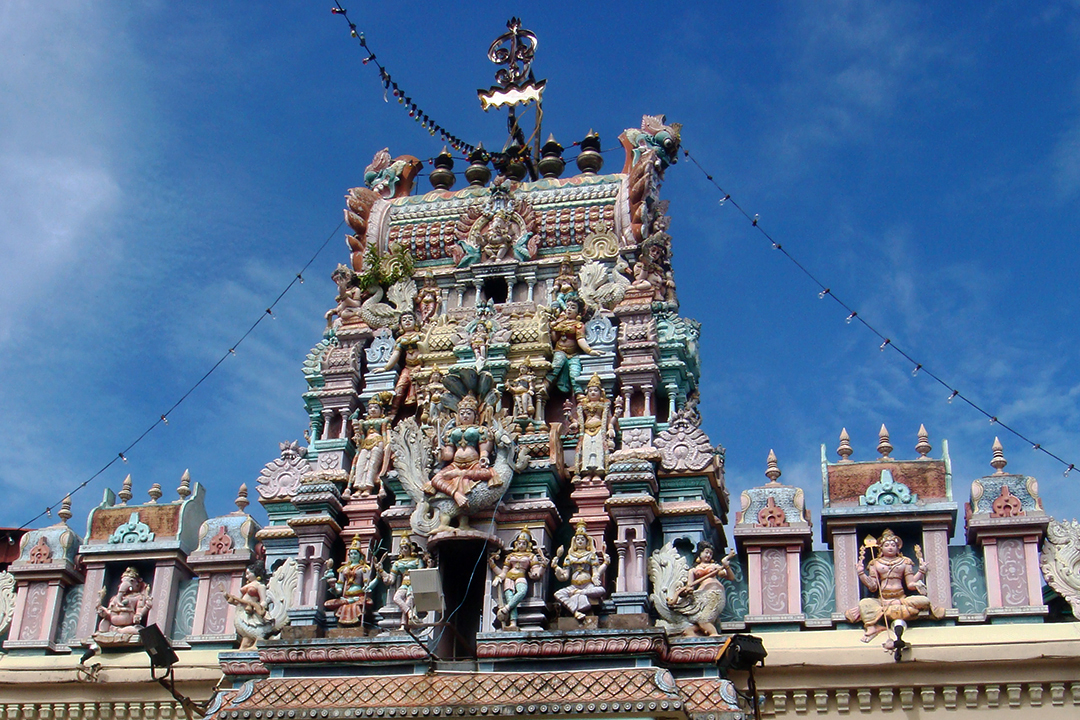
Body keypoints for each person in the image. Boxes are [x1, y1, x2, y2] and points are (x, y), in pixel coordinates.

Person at [846, 529, 944, 642]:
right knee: (865, 603)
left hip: (901, 599)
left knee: (924, 601)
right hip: (883, 600)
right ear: (881, 548)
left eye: (893, 545)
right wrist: (861, 574)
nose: (890, 547)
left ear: (898, 548)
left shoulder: (904, 562)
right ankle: (872, 627)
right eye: (886, 545)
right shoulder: (875, 563)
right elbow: (873, 587)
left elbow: (910, 584)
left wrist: (921, 572)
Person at [424, 394, 500, 507]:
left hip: (473, 463)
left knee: (487, 473)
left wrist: (484, 457)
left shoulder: (480, 430)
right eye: (462, 413)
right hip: (455, 464)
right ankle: (456, 495)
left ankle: (461, 475)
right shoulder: (451, 432)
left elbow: (484, 449)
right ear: (458, 416)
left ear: (475, 416)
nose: (465, 416)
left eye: (469, 413)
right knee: (435, 479)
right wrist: (441, 453)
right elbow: (449, 454)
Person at [488, 528, 548, 630]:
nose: (521, 545)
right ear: (516, 544)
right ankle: (513, 623)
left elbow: (536, 572)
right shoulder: (510, 556)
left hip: (521, 576)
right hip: (508, 578)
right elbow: (503, 572)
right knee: (510, 599)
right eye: (519, 543)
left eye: (523, 543)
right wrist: (493, 566)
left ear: (527, 545)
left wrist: (543, 567)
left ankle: (506, 609)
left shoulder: (531, 556)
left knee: (522, 592)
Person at [551, 522, 609, 621]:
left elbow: (595, 572)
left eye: (582, 539)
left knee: (601, 590)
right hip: (573, 586)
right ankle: (575, 611)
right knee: (558, 594)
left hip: (587, 585)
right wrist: (556, 568)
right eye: (578, 539)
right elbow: (564, 577)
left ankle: (581, 593)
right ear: (574, 542)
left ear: (587, 542)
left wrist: (605, 564)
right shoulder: (569, 557)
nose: (580, 541)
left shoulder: (591, 555)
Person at [676, 542, 735, 636]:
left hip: (716, 593)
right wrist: (687, 590)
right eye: (706, 552)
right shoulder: (693, 570)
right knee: (701, 618)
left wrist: (726, 565)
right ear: (700, 553)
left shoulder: (715, 567)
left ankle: (713, 634)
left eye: (711, 554)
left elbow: (731, 577)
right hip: (702, 595)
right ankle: (691, 631)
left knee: (705, 619)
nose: (708, 555)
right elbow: (690, 585)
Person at [547, 297, 600, 394]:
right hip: (560, 350)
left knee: (575, 373)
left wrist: (589, 350)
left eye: (573, 307)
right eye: (567, 307)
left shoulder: (578, 325)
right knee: (556, 365)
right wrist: (553, 329)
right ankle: (545, 386)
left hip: (574, 354)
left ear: (579, 312)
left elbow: (580, 339)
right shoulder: (560, 323)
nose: (569, 309)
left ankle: (579, 394)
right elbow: (554, 339)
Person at [324, 537, 378, 626]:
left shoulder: (364, 569)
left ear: (360, 555)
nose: (353, 556)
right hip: (346, 597)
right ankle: (348, 602)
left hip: (359, 597)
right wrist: (333, 587)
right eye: (351, 554)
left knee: (360, 604)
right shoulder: (343, 570)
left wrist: (377, 578)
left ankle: (351, 605)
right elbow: (339, 590)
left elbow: (367, 586)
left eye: (355, 554)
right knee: (328, 604)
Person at [349, 392, 393, 497]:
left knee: (372, 464)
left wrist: (388, 445)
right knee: (361, 464)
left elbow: (387, 435)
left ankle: (368, 488)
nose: (372, 410)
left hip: (378, 442)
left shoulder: (384, 421)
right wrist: (357, 431)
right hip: (365, 444)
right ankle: (359, 487)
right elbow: (360, 436)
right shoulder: (363, 423)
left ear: (381, 410)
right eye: (370, 408)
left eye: (375, 408)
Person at [381, 536, 430, 628]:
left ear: (410, 548)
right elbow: (391, 579)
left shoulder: (417, 561)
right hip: (404, 584)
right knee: (396, 598)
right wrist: (381, 571)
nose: (404, 550)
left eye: (405, 547)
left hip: (414, 584)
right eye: (402, 548)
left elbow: (422, 574)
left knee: (409, 601)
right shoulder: (397, 563)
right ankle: (410, 613)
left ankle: (403, 624)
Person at [574, 374, 614, 480]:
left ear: (601, 392)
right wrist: (573, 422)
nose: (593, 392)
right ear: (587, 392)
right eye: (590, 390)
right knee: (587, 449)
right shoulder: (583, 405)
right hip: (586, 430)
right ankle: (586, 472)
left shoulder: (604, 404)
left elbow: (609, 418)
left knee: (598, 449)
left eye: (596, 390)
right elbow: (579, 420)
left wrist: (610, 428)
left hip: (599, 430)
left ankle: (598, 472)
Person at [225, 562, 274, 650]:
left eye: (248, 573)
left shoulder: (260, 586)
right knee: (244, 629)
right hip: (241, 609)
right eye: (246, 574)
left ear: (255, 573)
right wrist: (230, 600)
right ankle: (245, 644)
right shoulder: (247, 585)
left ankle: (257, 642)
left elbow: (263, 600)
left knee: (253, 627)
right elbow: (238, 601)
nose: (246, 576)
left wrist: (258, 608)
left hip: (252, 609)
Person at [382, 311, 422, 417]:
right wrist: (385, 368)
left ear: (415, 322)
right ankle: (392, 415)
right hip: (408, 367)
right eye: (404, 320)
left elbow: (425, 350)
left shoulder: (420, 336)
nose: (407, 321)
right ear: (400, 325)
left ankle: (422, 416)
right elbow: (396, 354)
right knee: (399, 389)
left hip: (421, 366)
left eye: (410, 319)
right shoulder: (400, 339)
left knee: (421, 390)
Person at [96, 566, 152, 635]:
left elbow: (139, 611)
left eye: (131, 581)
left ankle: (119, 631)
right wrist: (102, 611)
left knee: (138, 630)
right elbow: (109, 612)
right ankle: (114, 630)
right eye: (123, 581)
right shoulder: (115, 598)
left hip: (128, 625)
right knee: (103, 625)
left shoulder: (138, 597)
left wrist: (139, 615)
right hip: (112, 624)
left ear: (138, 582)